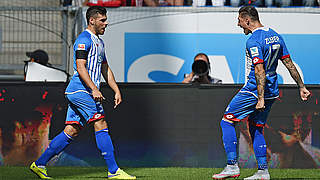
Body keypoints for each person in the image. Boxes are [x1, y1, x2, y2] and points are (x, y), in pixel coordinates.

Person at [29, 6, 136, 180]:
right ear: (92, 20)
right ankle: (114, 170)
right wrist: (94, 88)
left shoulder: (100, 42)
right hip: (81, 90)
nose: (106, 23)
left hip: (81, 91)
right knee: (100, 122)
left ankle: (39, 164)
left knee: (72, 130)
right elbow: (80, 66)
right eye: (102, 20)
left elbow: (105, 68)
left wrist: (116, 90)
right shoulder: (84, 39)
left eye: (106, 19)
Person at [212, 6, 310, 180]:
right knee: (256, 127)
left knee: (227, 121)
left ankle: (232, 166)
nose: (238, 24)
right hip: (272, 90)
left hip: (255, 90)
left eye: (239, 20)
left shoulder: (254, 41)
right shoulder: (276, 36)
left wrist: (260, 98)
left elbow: (259, 70)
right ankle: (263, 171)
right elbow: (289, 63)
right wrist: (301, 86)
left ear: (247, 20)